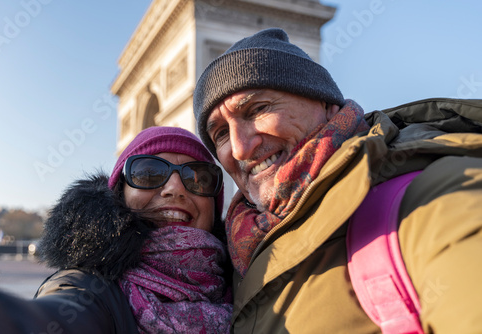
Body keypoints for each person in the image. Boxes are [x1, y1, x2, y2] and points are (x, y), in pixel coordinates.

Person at [192, 27, 482, 333]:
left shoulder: (437, 197)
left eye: (258, 109)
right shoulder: (228, 258)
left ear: (326, 103)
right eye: (221, 133)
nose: (239, 148)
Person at [0, 126, 233, 333]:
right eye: (148, 173)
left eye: (198, 177)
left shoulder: (250, 280)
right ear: (119, 196)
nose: (175, 188)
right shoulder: (88, 290)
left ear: (214, 207)